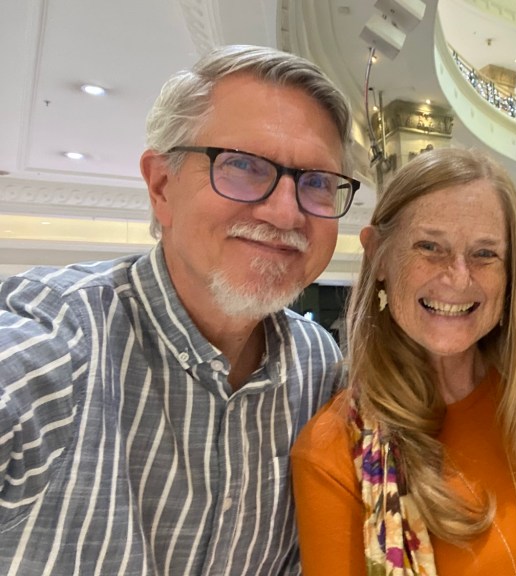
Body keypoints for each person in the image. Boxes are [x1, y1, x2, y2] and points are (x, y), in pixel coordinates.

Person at [0, 45, 355, 574]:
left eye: (318, 182)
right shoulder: (58, 342)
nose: (286, 213)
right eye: (242, 165)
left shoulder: (318, 367)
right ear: (162, 186)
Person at [290, 147, 516, 575]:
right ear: (378, 256)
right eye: (430, 246)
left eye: (485, 254)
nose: (458, 277)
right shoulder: (332, 454)